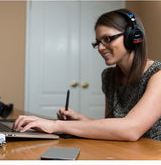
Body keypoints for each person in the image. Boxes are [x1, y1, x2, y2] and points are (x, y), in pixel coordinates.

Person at [12, 8, 161, 141]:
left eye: (107, 39)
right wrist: (79, 118)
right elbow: (113, 127)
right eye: (98, 42)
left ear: (132, 36)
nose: (101, 48)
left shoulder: (157, 75)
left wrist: (55, 126)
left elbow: (131, 129)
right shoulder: (109, 77)